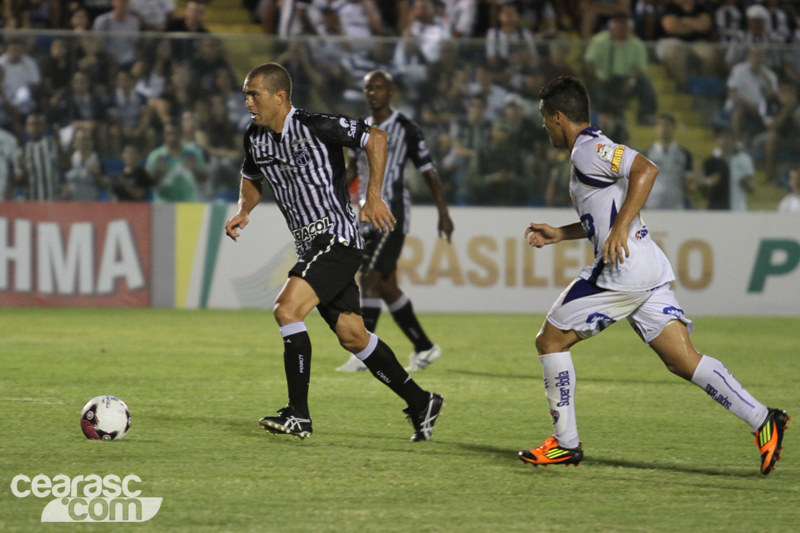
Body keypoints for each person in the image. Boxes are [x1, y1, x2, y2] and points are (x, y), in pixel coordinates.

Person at [518, 76, 788, 475]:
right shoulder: (590, 148)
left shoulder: (588, 150)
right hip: (645, 264)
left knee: (550, 340)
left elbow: (646, 169)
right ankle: (764, 419)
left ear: (559, 117)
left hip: (622, 272)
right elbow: (603, 214)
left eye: (545, 119)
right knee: (683, 360)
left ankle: (565, 443)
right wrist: (562, 233)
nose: (544, 127)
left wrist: (620, 227)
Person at [224, 63, 444, 442]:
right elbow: (251, 178)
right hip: (311, 244)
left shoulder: (314, 125)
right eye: (246, 94)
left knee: (286, 309)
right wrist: (244, 209)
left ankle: (299, 414)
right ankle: (421, 401)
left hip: (336, 237)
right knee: (353, 335)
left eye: (253, 94)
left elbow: (376, 138)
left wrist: (372, 197)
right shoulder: (254, 136)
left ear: (280, 96)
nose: (247, 102)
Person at [336, 70, 454, 373]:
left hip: (392, 214)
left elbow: (429, 171)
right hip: (364, 216)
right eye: (367, 89)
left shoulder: (406, 128)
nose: (372, 93)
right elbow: (352, 171)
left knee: (370, 278)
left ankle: (363, 355)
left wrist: (443, 213)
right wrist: (331, 196)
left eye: (378, 88)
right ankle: (425, 347)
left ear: (391, 92)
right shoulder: (359, 128)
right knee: (387, 287)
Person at [644, 113, 693, 209]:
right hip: (652, 204)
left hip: (675, 204)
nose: (663, 128)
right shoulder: (647, 154)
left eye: (666, 125)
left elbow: (688, 181)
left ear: (673, 128)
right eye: (660, 125)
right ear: (655, 128)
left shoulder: (684, 154)